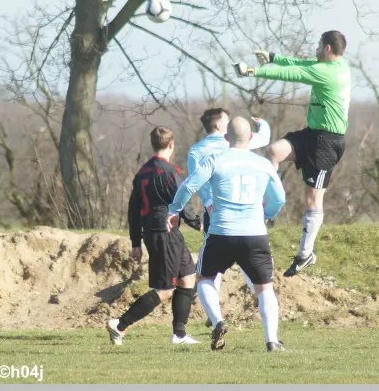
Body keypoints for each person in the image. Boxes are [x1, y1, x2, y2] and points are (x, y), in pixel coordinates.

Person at [233, 30, 351, 277]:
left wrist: (252, 71)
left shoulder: (327, 72)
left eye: (319, 45)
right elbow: (301, 65)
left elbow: (292, 73)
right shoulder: (332, 65)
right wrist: (273, 57)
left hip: (327, 142)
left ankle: (305, 254)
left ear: (327, 48)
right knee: (274, 151)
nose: (316, 49)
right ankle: (265, 211)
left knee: (313, 200)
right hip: (312, 134)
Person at [167, 116, 286, 352]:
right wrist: (266, 214)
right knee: (264, 288)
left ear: (225, 137)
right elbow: (279, 198)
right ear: (250, 137)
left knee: (205, 278)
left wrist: (173, 210)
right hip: (255, 234)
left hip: (221, 232)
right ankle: (271, 340)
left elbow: (189, 186)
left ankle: (218, 321)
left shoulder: (215, 159)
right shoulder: (263, 164)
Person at [107, 126, 202, 346]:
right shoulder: (171, 172)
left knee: (187, 277)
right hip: (164, 233)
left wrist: (135, 242)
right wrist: (197, 223)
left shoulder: (142, 172)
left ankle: (179, 335)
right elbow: (182, 201)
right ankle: (119, 325)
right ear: (171, 144)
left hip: (160, 233)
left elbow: (133, 210)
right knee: (165, 289)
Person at [188, 108, 271, 325]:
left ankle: (214, 314)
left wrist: (208, 203)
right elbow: (264, 138)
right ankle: (262, 296)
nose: (232, 122)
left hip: (215, 213)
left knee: (209, 268)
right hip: (248, 216)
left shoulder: (196, 151)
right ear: (218, 125)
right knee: (251, 264)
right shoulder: (237, 142)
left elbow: (195, 180)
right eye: (227, 119)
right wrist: (262, 123)